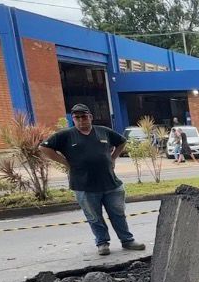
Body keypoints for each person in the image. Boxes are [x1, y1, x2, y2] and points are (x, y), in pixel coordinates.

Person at [40, 104, 146, 256]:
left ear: (90, 117)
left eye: (84, 117)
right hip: (84, 186)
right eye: (77, 118)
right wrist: (64, 162)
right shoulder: (66, 136)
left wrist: (113, 158)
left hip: (111, 184)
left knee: (118, 214)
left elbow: (121, 141)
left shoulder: (103, 132)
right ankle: (102, 243)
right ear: (73, 119)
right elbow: (44, 148)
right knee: (94, 217)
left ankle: (127, 240)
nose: (81, 120)